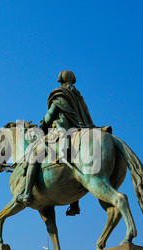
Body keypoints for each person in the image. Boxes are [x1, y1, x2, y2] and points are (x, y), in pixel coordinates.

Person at [17, 70, 95, 216]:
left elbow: (51, 115)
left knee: (34, 154)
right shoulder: (79, 97)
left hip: (62, 130)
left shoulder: (59, 94)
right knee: (76, 164)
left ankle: (27, 193)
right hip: (80, 131)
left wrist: (43, 124)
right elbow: (87, 117)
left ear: (60, 80)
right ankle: (74, 204)